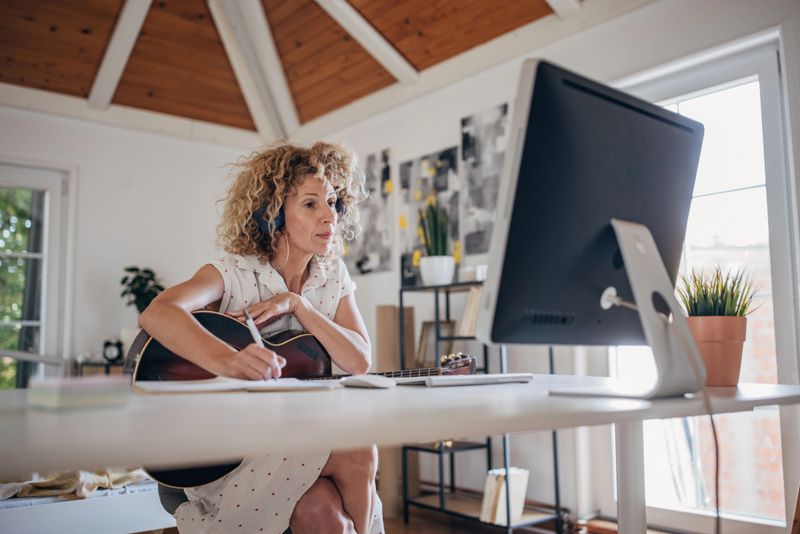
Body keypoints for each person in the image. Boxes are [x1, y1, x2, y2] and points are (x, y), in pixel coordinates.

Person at [139, 142, 383, 534]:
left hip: (302, 441)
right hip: (236, 452)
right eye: (310, 204)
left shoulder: (333, 275)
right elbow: (158, 313)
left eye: (333, 202)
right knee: (357, 446)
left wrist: (299, 306)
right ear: (273, 214)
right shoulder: (234, 271)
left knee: (321, 512)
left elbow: (359, 360)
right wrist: (227, 361)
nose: (329, 216)